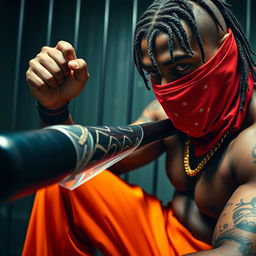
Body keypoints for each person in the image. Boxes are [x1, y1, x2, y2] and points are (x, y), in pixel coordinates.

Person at [22, 0, 256, 255]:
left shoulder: (251, 141)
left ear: (224, 51)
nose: (168, 89)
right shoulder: (164, 113)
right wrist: (54, 107)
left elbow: (237, 251)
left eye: (182, 67)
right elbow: (82, 166)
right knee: (61, 182)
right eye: (156, 74)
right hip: (165, 234)